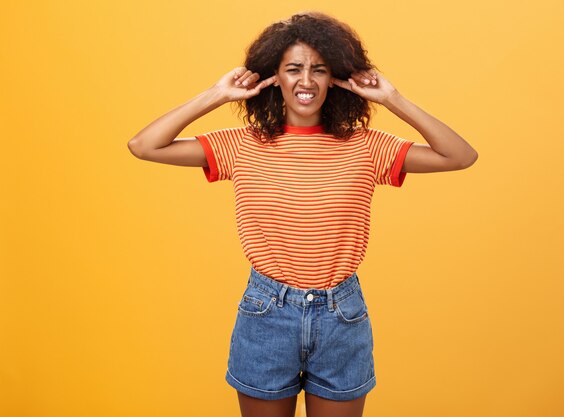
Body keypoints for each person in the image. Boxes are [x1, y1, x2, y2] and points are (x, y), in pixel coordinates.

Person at [128, 11, 478, 417]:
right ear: (274, 77)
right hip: (266, 313)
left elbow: (460, 156)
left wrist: (392, 99)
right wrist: (217, 94)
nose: (307, 81)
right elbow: (144, 145)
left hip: (341, 315)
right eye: (293, 69)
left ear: (335, 79)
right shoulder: (241, 145)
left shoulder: (366, 147)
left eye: (320, 70)